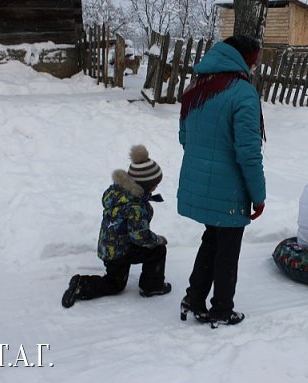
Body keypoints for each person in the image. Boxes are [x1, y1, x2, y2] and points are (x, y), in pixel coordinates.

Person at [177, 35, 266, 328]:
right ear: (245, 58)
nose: (255, 65)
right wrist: (258, 194)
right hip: (229, 189)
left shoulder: (197, 86)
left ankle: (194, 298)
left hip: (201, 183)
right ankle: (221, 310)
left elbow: (185, 138)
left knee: (212, 240)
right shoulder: (242, 92)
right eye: (255, 59)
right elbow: (249, 153)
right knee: (227, 250)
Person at [61, 145, 171, 308]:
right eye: (154, 184)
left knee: (115, 284)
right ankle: (152, 286)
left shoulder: (118, 193)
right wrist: (158, 240)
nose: (156, 188)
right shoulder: (135, 207)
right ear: (146, 185)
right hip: (122, 250)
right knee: (158, 250)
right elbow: (140, 237)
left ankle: (82, 284)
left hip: (109, 247)